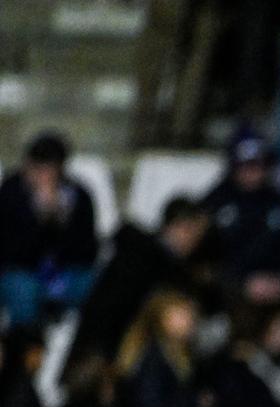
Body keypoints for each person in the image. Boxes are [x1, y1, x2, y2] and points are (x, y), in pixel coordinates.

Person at [72, 196, 210, 368]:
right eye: (193, 232)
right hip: (104, 358)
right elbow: (114, 309)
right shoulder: (145, 260)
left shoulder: (146, 256)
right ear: (179, 226)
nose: (195, 242)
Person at [0, 132, 98, 328]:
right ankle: (25, 348)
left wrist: (62, 221)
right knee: (23, 289)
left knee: (95, 284)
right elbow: (9, 251)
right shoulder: (11, 191)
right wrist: (38, 218)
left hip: (63, 274)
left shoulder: (78, 195)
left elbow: (88, 251)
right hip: (21, 273)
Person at [200, 130, 280, 304]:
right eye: (247, 165)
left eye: (261, 164)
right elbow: (203, 262)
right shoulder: (215, 203)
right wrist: (241, 282)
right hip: (224, 297)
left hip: (276, 295)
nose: (254, 171)